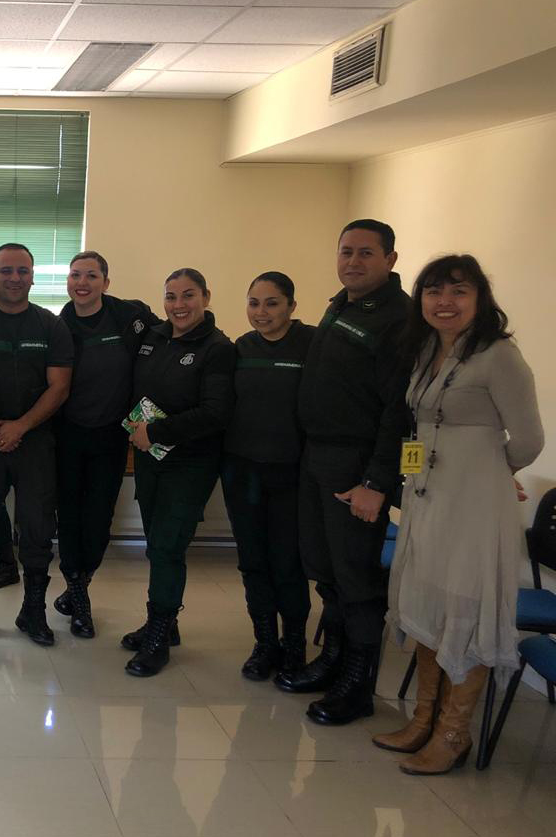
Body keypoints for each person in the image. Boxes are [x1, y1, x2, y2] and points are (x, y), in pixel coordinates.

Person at [373, 255, 543, 774]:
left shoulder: (499, 355)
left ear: (479, 299)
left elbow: (529, 440)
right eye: (433, 291)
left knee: (465, 607)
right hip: (427, 498)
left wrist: (489, 472)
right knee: (428, 602)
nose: (444, 302)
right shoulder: (426, 350)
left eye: (458, 291)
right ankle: (423, 719)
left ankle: (453, 733)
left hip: (473, 507)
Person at [276, 219, 411, 727]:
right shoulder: (342, 305)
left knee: (356, 579)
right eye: (346, 251)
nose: (353, 261)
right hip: (319, 457)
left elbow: (398, 411)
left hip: (357, 465)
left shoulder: (399, 319)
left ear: (390, 260)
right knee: (327, 570)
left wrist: (377, 483)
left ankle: (358, 685)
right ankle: (332, 661)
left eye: (366, 253)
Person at [0, 243, 73, 647]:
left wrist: (19, 427)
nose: (14, 278)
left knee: (37, 528)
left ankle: (33, 612)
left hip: (35, 441)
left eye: (23, 270)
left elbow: (59, 387)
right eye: (5, 270)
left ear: (33, 277)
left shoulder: (51, 326)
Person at [122, 268, 234, 677]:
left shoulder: (218, 348)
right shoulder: (153, 337)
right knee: (156, 543)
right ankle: (164, 624)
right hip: (151, 459)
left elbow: (216, 412)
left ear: (206, 296)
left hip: (190, 463)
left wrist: (155, 432)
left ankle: (158, 635)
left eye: (188, 295)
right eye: (171, 296)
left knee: (169, 546)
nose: (179, 305)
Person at [53, 251, 157, 638]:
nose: (82, 282)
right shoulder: (58, 325)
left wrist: (145, 418)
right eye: (75, 275)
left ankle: (79, 584)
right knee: (70, 517)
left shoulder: (130, 316)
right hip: (67, 436)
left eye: (91, 276)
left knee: (98, 519)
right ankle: (79, 597)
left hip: (112, 436)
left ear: (106, 283)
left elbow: (164, 353)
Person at [220, 272, 315, 680]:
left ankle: (294, 645)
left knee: (288, 563)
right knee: (253, 562)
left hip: (292, 475)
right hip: (243, 473)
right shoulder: (241, 348)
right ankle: (264, 643)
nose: (261, 312)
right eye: (254, 303)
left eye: (272, 303)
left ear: (292, 305)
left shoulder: (312, 344)